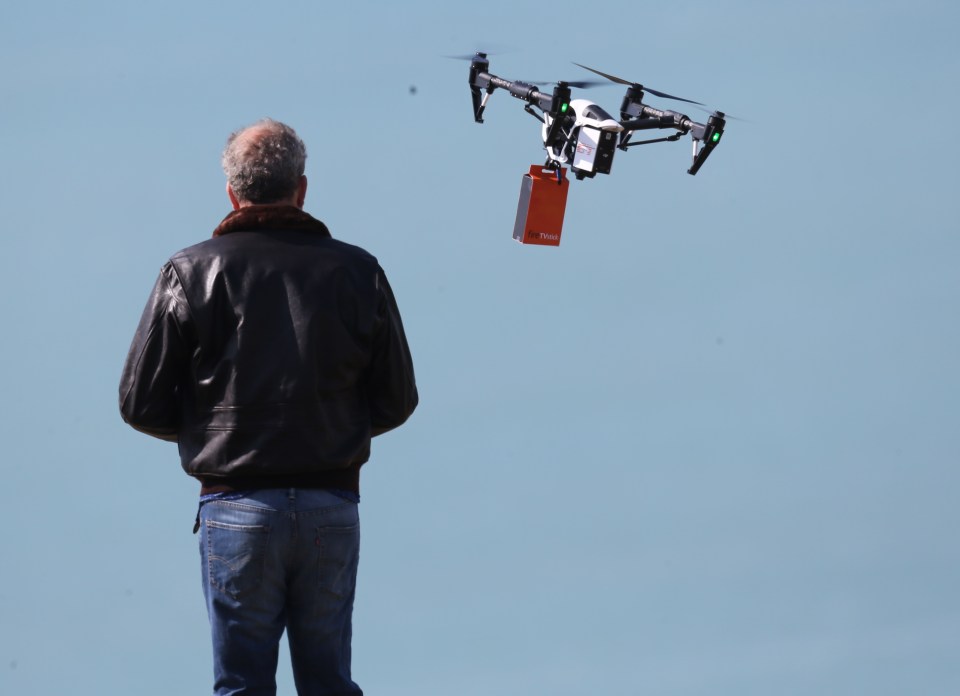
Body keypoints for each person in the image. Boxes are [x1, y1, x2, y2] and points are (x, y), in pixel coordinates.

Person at [119, 118, 418, 695]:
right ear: (302, 189)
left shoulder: (189, 271)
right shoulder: (359, 271)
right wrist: (335, 431)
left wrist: (209, 432)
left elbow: (140, 402)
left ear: (232, 192)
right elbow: (398, 398)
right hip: (332, 505)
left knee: (242, 687)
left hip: (234, 505)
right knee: (329, 683)